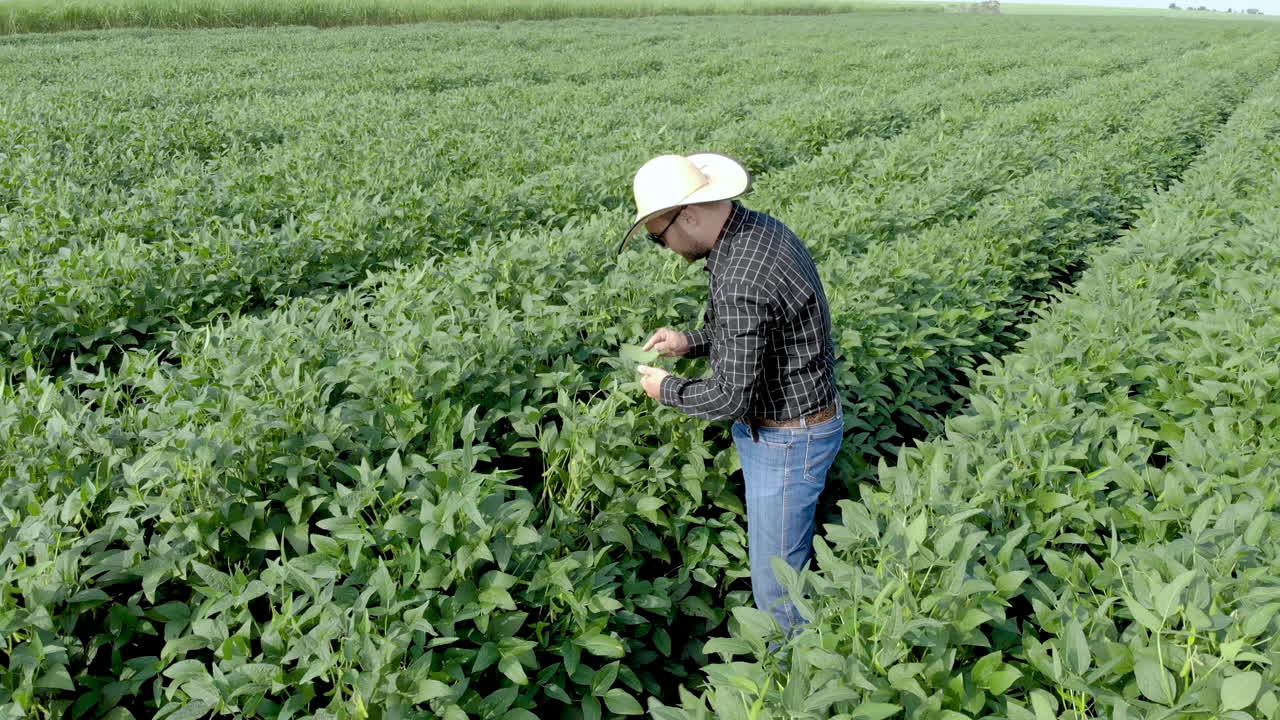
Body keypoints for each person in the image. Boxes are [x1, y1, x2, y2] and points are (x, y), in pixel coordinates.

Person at [618, 152, 842, 638]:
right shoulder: (759, 233)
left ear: (690, 216)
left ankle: (799, 684)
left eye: (660, 237)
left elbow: (727, 400)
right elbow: (756, 329)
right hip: (799, 421)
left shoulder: (741, 274)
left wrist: (666, 389)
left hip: (786, 439)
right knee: (784, 563)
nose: (666, 248)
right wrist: (689, 341)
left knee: (777, 589)